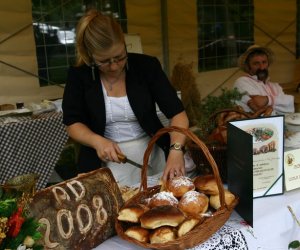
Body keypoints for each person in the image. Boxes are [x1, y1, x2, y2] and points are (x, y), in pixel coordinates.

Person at [62, 9, 189, 186]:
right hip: (105, 165)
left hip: (153, 156)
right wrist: (97, 141)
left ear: (124, 43)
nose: (114, 66)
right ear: (90, 56)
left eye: (120, 57)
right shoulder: (79, 76)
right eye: (104, 61)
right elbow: (72, 123)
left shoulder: (146, 67)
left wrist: (176, 151)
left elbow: (178, 114)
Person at [233, 44, 294, 115]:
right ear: (248, 66)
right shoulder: (242, 82)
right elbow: (261, 112)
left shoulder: (275, 86)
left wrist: (267, 100)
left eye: (264, 62)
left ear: (268, 64)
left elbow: (290, 105)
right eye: (256, 63)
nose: (262, 67)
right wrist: (279, 104)